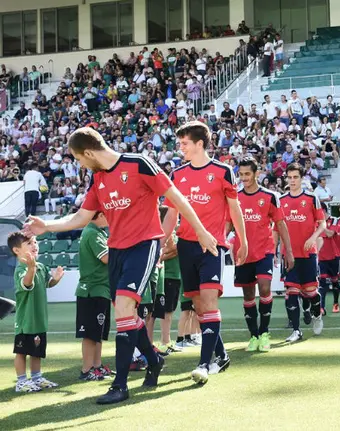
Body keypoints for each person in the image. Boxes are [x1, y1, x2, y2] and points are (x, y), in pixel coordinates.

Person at [24, 127, 216, 404]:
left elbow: (176, 198)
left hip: (144, 245)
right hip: (117, 250)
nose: (80, 164)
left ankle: (120, 384)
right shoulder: (98, 177)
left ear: (88, 152)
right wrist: (47, 226)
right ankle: (153, 359)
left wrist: (199, 230)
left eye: (79, 159)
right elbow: (81, 218)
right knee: (126, 315)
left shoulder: (138, 163)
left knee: (125, 309)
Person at [163, 121, 248, 385]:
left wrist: (242, 241)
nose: (181, 148)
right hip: (186, 246)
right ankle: (221, 355)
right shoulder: (176, 175)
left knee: (209, 303)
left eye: (185, 143)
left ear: (200, 144)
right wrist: (160, 243)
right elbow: (171, 214)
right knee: (199, 307)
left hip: (212, 245)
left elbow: (235, 209)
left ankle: (204, 363)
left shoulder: (223, 171)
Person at [233, 157, 294, 352]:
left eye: (247, 174)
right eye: (241, 174)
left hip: (264, 250)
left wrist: (289, 252)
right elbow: (228, 222)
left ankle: (265, 332)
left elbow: (281, 224)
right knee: (248, 294)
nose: (244, 178)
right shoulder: (234, 196)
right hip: (242, 252)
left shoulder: (270, 196)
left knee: (265, 288)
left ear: (257, 173)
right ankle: (254, 336)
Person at [9, 231, 64, 393]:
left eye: (35, 242)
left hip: (39, 319)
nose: (35, 246)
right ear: (17, 250)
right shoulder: (21, 269)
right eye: (29, 243)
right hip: (26, 321)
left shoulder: (40, 267)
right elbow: (26, 283)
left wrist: (56, 279)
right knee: (21, 351)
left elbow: (48, 283)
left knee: (37, 350)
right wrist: (31, 268)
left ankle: (36, 377)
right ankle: (21, 381)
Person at [280, 163, 327, 342]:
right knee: (291, 291)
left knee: (310, 292)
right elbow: (277, 227)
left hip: (308, 253)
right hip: (289, 254)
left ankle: (317, 314)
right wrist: (277, 251)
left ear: (301, 179)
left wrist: (313, 237)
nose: (292, 181)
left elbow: (322, 223)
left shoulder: (311, 198)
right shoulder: (281, 200)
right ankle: (296, 330)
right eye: (289, 177)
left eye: (295, 177)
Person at [76, 212, 114, 381]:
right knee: (91, 333)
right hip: (92, 289)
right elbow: (106, 258)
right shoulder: (91, 232)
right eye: (106, 213)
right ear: (99, 215)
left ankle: (97, 367)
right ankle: (86, 370)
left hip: (101, 289)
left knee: (98, 333)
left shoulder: (97, 232)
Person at [155, 207, 182, 355]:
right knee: (166, 311)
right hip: (168, 276)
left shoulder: (171, 234)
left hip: (174, 275)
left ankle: (167, 340)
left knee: (169, 311)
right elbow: (171, 250)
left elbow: (174, 251)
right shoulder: (166, 234)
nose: (176, 220)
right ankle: (165, 341)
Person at [318, 210, 340, 313]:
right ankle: (322, 307)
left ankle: (335, 303)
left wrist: (322, 226)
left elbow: (330, 234)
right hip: (321, 258)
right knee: (322, 283)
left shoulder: (334, 220)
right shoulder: (315, 221)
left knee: (335, 281)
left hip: (333, 256)